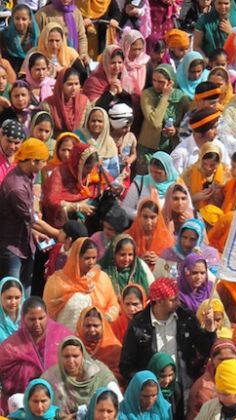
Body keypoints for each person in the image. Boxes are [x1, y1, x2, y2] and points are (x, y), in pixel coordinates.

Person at [119, 277, 217, 385]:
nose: (178, 303)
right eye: (172, 300)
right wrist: (145, 383)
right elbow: (126, 365)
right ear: (159, 301)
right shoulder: (138, 325)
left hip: (183, 388)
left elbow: (206, 350)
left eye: (177, 298)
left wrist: (209, 328)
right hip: (152, 391)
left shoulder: (186, 319)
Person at [0, 297, 71, 413]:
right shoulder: (11, 347)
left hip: (60, 401)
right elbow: (5, 381)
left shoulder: (61, 336)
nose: (37, 324)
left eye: (41, 318)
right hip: (22, 404)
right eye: (32, 319)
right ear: (23, 319)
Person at [0, 138, 52, 287]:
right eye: (43, 161)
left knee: (24, 296)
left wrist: (36, 233)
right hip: (12, 249)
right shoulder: (16, 187)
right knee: (12, 295)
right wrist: (58, 233)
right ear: (33, 161)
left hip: (26, 245)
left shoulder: (26, 177)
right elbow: (32, 219)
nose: (45, 165)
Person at [43, 238, 119, 332]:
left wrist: (105, 318)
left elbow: (113, 305)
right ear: (76, 257)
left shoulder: (101, 279)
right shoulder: (57, 281)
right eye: (87, 258)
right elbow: (48, 313)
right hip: (63, 339)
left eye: (94, 258)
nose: (91, 262)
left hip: (93, 338)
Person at [41, 336, 118, 417]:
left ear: (83, 355)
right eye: (66, 356)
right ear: (60, 357)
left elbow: (116, 402)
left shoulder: (99, 374)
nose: (71, 361)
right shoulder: (51, 377)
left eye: (75, 356)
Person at [138, 64, 190, 154]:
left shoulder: (181, 98)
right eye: (154, 80)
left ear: (170, 82)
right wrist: (165, 97)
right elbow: (155, 121)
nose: (156, 85)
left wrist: (176, 130)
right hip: (149, 148)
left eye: (161, 82)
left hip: (171, 147)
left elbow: (187, 123)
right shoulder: (147, 95)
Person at [187, 339, 236, 420]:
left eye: (230, 359)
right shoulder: (203, 387)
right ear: (213, 360)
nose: (225, 364)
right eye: (222, 360)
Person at [154, 218, 221, 280]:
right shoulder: (170, 254)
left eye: (192, 239)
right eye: (184, 237)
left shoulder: (209, 254)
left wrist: (197, 260)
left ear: (199, 239)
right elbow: (156, 278)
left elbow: (213, 282)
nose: (187, 243)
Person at [125, 199, 175, 270]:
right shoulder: (128, 236)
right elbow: (120, 260)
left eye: (152, 217)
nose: (148, 222)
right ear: (139, 216)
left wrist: (159, 261)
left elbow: (173, 266)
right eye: (145, 217)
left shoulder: (167, 238)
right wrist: (138, 261)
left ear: (158, 217)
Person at [75, 305, 123, 378]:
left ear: (103, 326)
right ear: (81, 326)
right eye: (88, 326)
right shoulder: (74, 346)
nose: (92, 330)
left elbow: (121, 376)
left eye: (96, 326)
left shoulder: (114, 348)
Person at [42, 65, 91, 133]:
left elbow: (88, 128)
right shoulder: (48, 105)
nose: (74, 88)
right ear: (61, 85)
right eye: (70, 84)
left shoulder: (84, 102)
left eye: (76, 84)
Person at [182, 142, 228, 211]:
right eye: (204, 164)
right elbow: (179, 198)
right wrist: (196, 197)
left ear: (218, 163)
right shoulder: (189, 173)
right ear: (200, 159)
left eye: (212, 165)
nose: (208, 168)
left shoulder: (226, 174)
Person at [1, 4, 40, 72]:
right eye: (17, 18)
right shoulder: (4, 36)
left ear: (30, 20)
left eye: (24, 19)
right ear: (13, 18)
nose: (20, 22)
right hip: (8, 75)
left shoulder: (35, 38)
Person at [147, 352, 184, 418]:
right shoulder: (146, 392)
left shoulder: (177, 390)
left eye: (170, 375)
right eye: (162, 376)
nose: (167, 381)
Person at [120, 28, 150, 96]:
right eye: (133, 49)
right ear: (126, 46)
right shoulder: (118, 61)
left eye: (139, 49)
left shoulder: (145, 61)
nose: (137, 53)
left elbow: (149, 85)